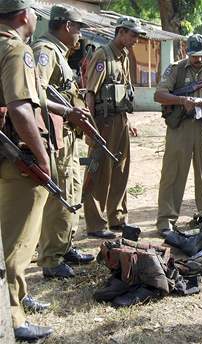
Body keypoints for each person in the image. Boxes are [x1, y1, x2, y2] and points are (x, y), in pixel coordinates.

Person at [0, 1, 53, 340]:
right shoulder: (17, 50)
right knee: (18, 242)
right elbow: (21, 109)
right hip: (16, 159)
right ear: (23, 16)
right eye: (35, 11)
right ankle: (14, 318)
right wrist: (42, 157)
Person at [32, 5, 94, 279]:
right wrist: (68, 111)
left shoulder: (59, 52)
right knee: (59, 195)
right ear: (67, 26)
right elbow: (34, 96)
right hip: (54, 135)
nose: (80, 34)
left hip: (67, 135)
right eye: (78, 27)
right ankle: (50, 258)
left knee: (71, 192)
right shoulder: (45, 51)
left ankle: (65, 245)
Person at [154, 34, 202, 235]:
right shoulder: (175, 69)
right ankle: (166, 219)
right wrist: (182, 100)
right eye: (195, 56)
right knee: (173, 173)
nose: (199, 60)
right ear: (187, 52)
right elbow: (159, 95)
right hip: (180, 128)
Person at [83, 16, 145, 238]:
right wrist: (90, 128)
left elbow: (123, 92)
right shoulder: (103, 55)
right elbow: (90, 94)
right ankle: (95, 224)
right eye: (133, 34)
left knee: (121, 169)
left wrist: (129, 122)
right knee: (99, 171)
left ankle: (116, 217)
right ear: (120, 32)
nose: (136, 39)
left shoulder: (125, 56)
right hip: (103, 122)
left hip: (120, 120)